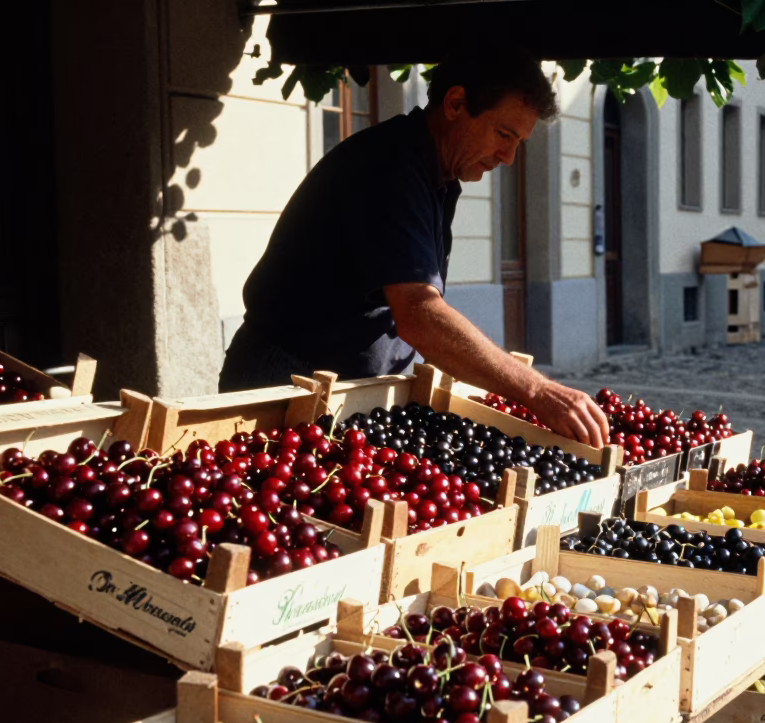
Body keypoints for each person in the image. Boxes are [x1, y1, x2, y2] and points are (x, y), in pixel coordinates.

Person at [218, 49, 609, 448]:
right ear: (455, 103)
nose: (508, 158)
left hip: (344, 389)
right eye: (503, 135)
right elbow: (420, 314)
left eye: (518, 143)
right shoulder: (389, 167)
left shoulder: (438, 174)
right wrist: (536, 392)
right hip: (286, 381)